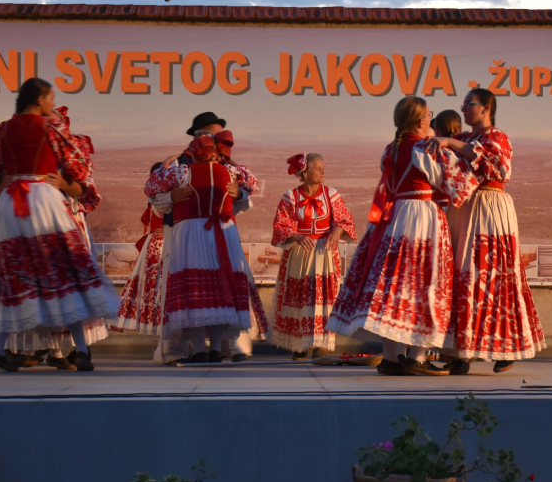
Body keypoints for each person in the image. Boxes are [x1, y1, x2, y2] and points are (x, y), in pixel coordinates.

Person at [328, 96, 478, 376]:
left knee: (394, 287)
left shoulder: (391, 148)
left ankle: (391, 358)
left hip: (392, 218)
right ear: (422, 121)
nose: (430, 119)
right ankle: (418, 356)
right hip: (421, 218)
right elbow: (462, 185)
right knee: (424, 283)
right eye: (428, 115)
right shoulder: (426, 148)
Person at [0, 78, 118, 372]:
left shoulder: (3, 129)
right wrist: (64, 178)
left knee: (19, 272)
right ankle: (81, 350)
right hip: (42, 197)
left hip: (12, 201)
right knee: (64, 268)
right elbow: (79, 164)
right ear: (39, 99)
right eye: (51, 98)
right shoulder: (51, 127)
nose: (53, 103)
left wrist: (10, 177)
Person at [426, 88, 543, 374]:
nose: (464, 109)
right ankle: (459, 352)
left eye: (469, 104)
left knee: (491, 272)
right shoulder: (466, 138)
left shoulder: (496, 136)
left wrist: (450, 141)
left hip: (489, 206)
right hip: (463, 209)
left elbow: (500, 168)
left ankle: (505, 346)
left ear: (486, 107)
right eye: (463, 104)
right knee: (462, 275)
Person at [145, 135, 262, 364]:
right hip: (222, 232)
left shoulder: (181, 173)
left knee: (197, 289)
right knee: (218, 288)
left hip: (192, 232)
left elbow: (151, 186)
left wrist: (171, 195)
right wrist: (239, 190)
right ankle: (215, 349)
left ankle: (199, 349)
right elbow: (253, 183)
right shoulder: (231, 172)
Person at [270, 153, 356, 358]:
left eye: (323, 168)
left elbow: (346, 220)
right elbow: (280, 226)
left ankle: (321, 343)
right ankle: (300, 344)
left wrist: (338, 231)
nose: (322, 172)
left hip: (324, 254)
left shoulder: (332, 195)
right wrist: (296, 235)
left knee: (324, 298)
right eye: (318, 168)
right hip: (300, 255)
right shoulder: (291, 197)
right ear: (305, 172)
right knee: (300, 297)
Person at [112, 163, 166, 336]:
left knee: (146, 285)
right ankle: (158, 326)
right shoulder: (164, 199)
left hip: (153, 244)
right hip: (161, 245)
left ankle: (137, 321)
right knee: (158, 286)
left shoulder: (154, 198)